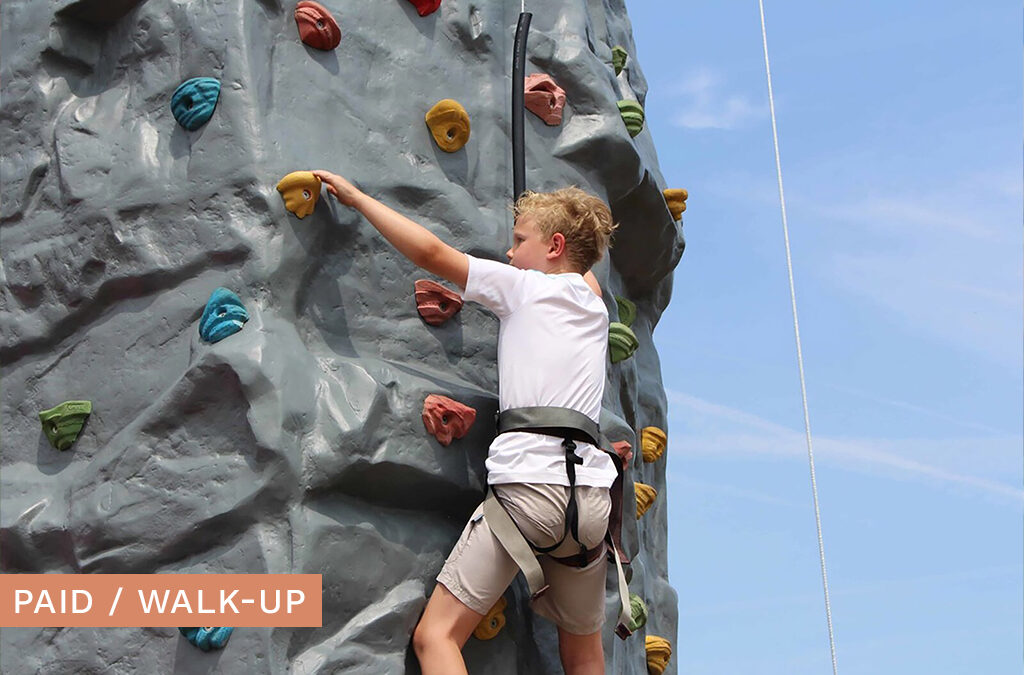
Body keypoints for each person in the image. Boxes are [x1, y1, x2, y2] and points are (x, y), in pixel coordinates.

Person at [312, 170, 618, 675]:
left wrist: (360, 198)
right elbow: (584, 264)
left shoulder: (524, 288)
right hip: (590, 503)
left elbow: (432, 254)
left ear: (555, 247)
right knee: (584, 655)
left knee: (437, 637)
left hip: (529, 489)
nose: (511, 252)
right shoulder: (595, 308)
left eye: (520, 241)